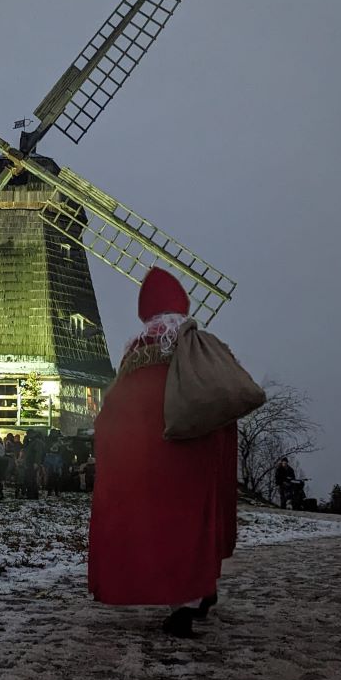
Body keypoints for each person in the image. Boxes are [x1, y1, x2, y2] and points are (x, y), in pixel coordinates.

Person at [88, 267, 249, 638]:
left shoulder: (135, 353)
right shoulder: (200, 344)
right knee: (194, 520)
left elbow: (117, 410)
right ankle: (198, 592)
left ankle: (184, 598)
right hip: (195, 446)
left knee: (162, 525)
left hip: (151, 455)